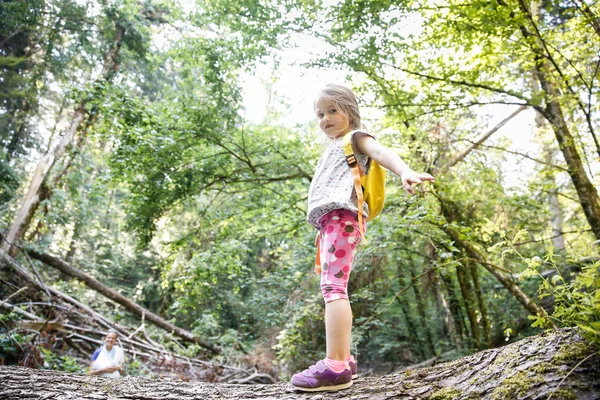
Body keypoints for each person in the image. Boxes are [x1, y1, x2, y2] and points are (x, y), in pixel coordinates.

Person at [291, 84, 435, 392]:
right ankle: (344, 360)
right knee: (333, 287)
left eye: (332, 110)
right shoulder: (333, 148)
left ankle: (335, 366)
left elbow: (380, 152)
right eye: (320, 114)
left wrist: (405, 171)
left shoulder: (355, 137)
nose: (325, 118)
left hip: (342, 219)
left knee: (333, 288)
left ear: (350, 111)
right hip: (332, 222)